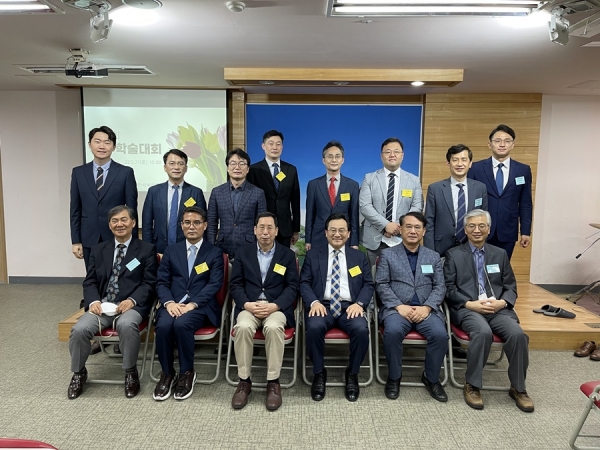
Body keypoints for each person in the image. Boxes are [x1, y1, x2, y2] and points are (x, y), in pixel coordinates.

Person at [444, 209, 533, 412]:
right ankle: (472, 385)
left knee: (518, 335)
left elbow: (511, 286)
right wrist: (469, 303)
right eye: (472, 226)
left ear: (489, 229)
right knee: (482, 333)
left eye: (482, 226)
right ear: (465, 230)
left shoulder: (499, 254)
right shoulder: (453, 254)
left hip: (498, 309)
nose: (477, 230)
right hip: (469, 308)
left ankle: (518, 388)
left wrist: (503, 303)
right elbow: (448, 288)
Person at [67, 205, 157, 399]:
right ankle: (79, 372)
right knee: (79, 330)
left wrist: (132, 301)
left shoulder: (146, 250)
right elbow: (90, 280)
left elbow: (150, 283)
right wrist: (93, 302)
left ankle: (130, 372)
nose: (119, 224)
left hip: (130, 306)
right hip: (102, 306)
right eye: (114, 221)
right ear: (109, 225)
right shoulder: (99, 250)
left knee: (126, 325)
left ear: (133, 223)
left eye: (124, 220)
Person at [229, 212, 299, 411]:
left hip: (275, 307)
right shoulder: (243, 253)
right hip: (249, 307)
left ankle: (273, 382)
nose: (265, 232)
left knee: (275, 327)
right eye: (261, 227)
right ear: (254, 230)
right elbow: (235, 285)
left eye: (270, 228)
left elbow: (292, 287)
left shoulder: (287, 255)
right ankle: (244, 381)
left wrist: (275, 306)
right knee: (242, 327)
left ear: (277, 231)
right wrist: (246, 304)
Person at [153, 206, 224, 401]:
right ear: (181, 226)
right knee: (165, 325)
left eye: (196, 222)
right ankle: (167, 373)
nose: (191, 227)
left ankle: (186, 372)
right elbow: (162, 282)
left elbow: (214, 284)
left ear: (205, 225)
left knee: (182, 324)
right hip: (173, 304)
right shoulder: (171, 251)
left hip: (200, 306)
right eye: (187, 223)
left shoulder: (214, 253)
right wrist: (168, 303)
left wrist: (192, 304)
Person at [300, 213, 373, 402]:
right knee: (314, 327)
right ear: (326, 233)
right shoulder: (313, 254)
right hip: (322, 305)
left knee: (361, 329)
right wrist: (314, 302)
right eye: (333, 230)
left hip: (350, 306)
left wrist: (360, 304)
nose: (337, 234)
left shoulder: (359, 256)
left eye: (342, 230)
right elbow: (304, 283)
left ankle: (352, 373)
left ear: (349, 233)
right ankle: (318, 373)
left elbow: (368, 284)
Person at [376, 212, 448, 402]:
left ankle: (431, 378)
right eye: (408, 226)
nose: (413, 231)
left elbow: (440, 286)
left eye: (417, 227)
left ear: (424, 231)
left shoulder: (433, 257)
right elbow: (382, 283)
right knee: (392, 332)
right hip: (397, 310)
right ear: (401, 229)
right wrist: (399, 306)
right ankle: (394, 377)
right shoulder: (387, 254)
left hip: (426, 310)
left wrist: (427, 307)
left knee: (440, 335)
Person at [70, 126, 138, 269]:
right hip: (89, 237)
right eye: (97, 141)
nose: (102, 146)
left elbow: (132, 210)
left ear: (113, 147)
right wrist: (76, 241)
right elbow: (75, 209)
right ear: (90, 145)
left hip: (117, 236)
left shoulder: (125, 173)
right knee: (92, 279)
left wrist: (134, 242)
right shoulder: (78, 173)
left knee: (118, 278)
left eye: (107, 142)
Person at [468, 124, 533, 260]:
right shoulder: (476, 168)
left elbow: (526, 203)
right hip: (479, 229)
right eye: (497, 141)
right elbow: (469, 200)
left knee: (500, 268)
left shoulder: (523, 170)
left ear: (513, 145)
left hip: (508, 229)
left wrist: (525, 231)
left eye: (507, 141)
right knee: (477, 266)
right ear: (489, 144)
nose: (502, 144)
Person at [359, 137, 423, 267]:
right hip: (374, 241)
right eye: (387, 152)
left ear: (402, 156)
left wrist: (399, 227)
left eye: (396, 151)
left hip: (403, 239)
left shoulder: (413, 180)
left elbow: (417, 207)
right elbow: (365, 206)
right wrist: (385, 225)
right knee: (372, 279)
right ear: (381, 156)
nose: (392, 155)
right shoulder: (370, 178)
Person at [424, 144, 488, 258]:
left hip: (471, 247)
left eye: (464, 160)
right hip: (441, 248)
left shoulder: (480, 188)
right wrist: (429, 253)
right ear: (448, 163)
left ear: (470, 163)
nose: (459, 164)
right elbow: (429, 223)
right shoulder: (435, 189)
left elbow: (484, 220)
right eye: (455, 160)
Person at [142, 149, 206, 254]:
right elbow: (147, 224)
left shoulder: (196, 192)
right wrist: (148, 249)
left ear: (186, 168)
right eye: (172, 163)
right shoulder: (154, 191)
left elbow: (202, 224)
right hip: (158, 248)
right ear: (165, 167)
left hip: (188, 248)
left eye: (180, 164)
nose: (176, 167)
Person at [207, 148, 267, 259]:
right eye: (233, 163)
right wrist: (211, 247)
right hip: (222, 247)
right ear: (227, 168)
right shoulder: (217, 192)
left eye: (242, 164)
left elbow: (262, 224)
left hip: (249, 247)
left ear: (248, 169)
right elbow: (211, 222)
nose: (237, 167)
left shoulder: (258, 193)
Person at [247, 130, 301, 248]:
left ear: (282, 146)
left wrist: (296, 229)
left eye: (278, 144)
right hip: (262, 228)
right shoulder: (254, 170)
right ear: (263, 146)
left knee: (282, 263)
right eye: (271, 143)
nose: (275, 147)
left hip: (285, 228)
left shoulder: (291, 170)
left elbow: (295, 201)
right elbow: (250, 202)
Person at [305, 141, 360, 251]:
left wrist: (354, 241)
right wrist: (308, 240)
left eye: (337, 156)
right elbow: (310, 215)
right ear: (323, 160)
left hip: (343, 238)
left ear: (342, 160)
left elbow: (354, 216)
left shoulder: (352, 185)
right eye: (330, 156)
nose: (334, 160)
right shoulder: (313, 185)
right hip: (318, 238)